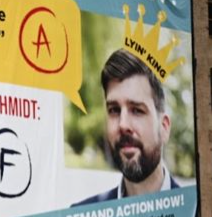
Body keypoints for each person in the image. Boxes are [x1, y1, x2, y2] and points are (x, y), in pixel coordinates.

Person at [73, 48, 181, 206]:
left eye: (137, 110)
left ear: (164, 128)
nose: (123, 124)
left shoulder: (197, 215)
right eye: (114, 110)